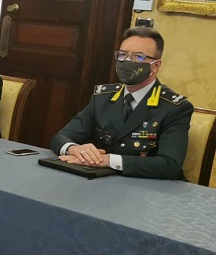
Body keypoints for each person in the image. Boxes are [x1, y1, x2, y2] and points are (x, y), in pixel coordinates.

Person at [51, 27, 192, 180]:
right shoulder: (103, 97)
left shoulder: (174, 108)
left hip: (149, 187)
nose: (127, 62)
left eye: (138, 57)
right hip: (103, 182)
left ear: (156, 65)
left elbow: (169, 165)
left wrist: (109, 161)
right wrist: (74, 149)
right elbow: (61, 137)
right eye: (123, 55)